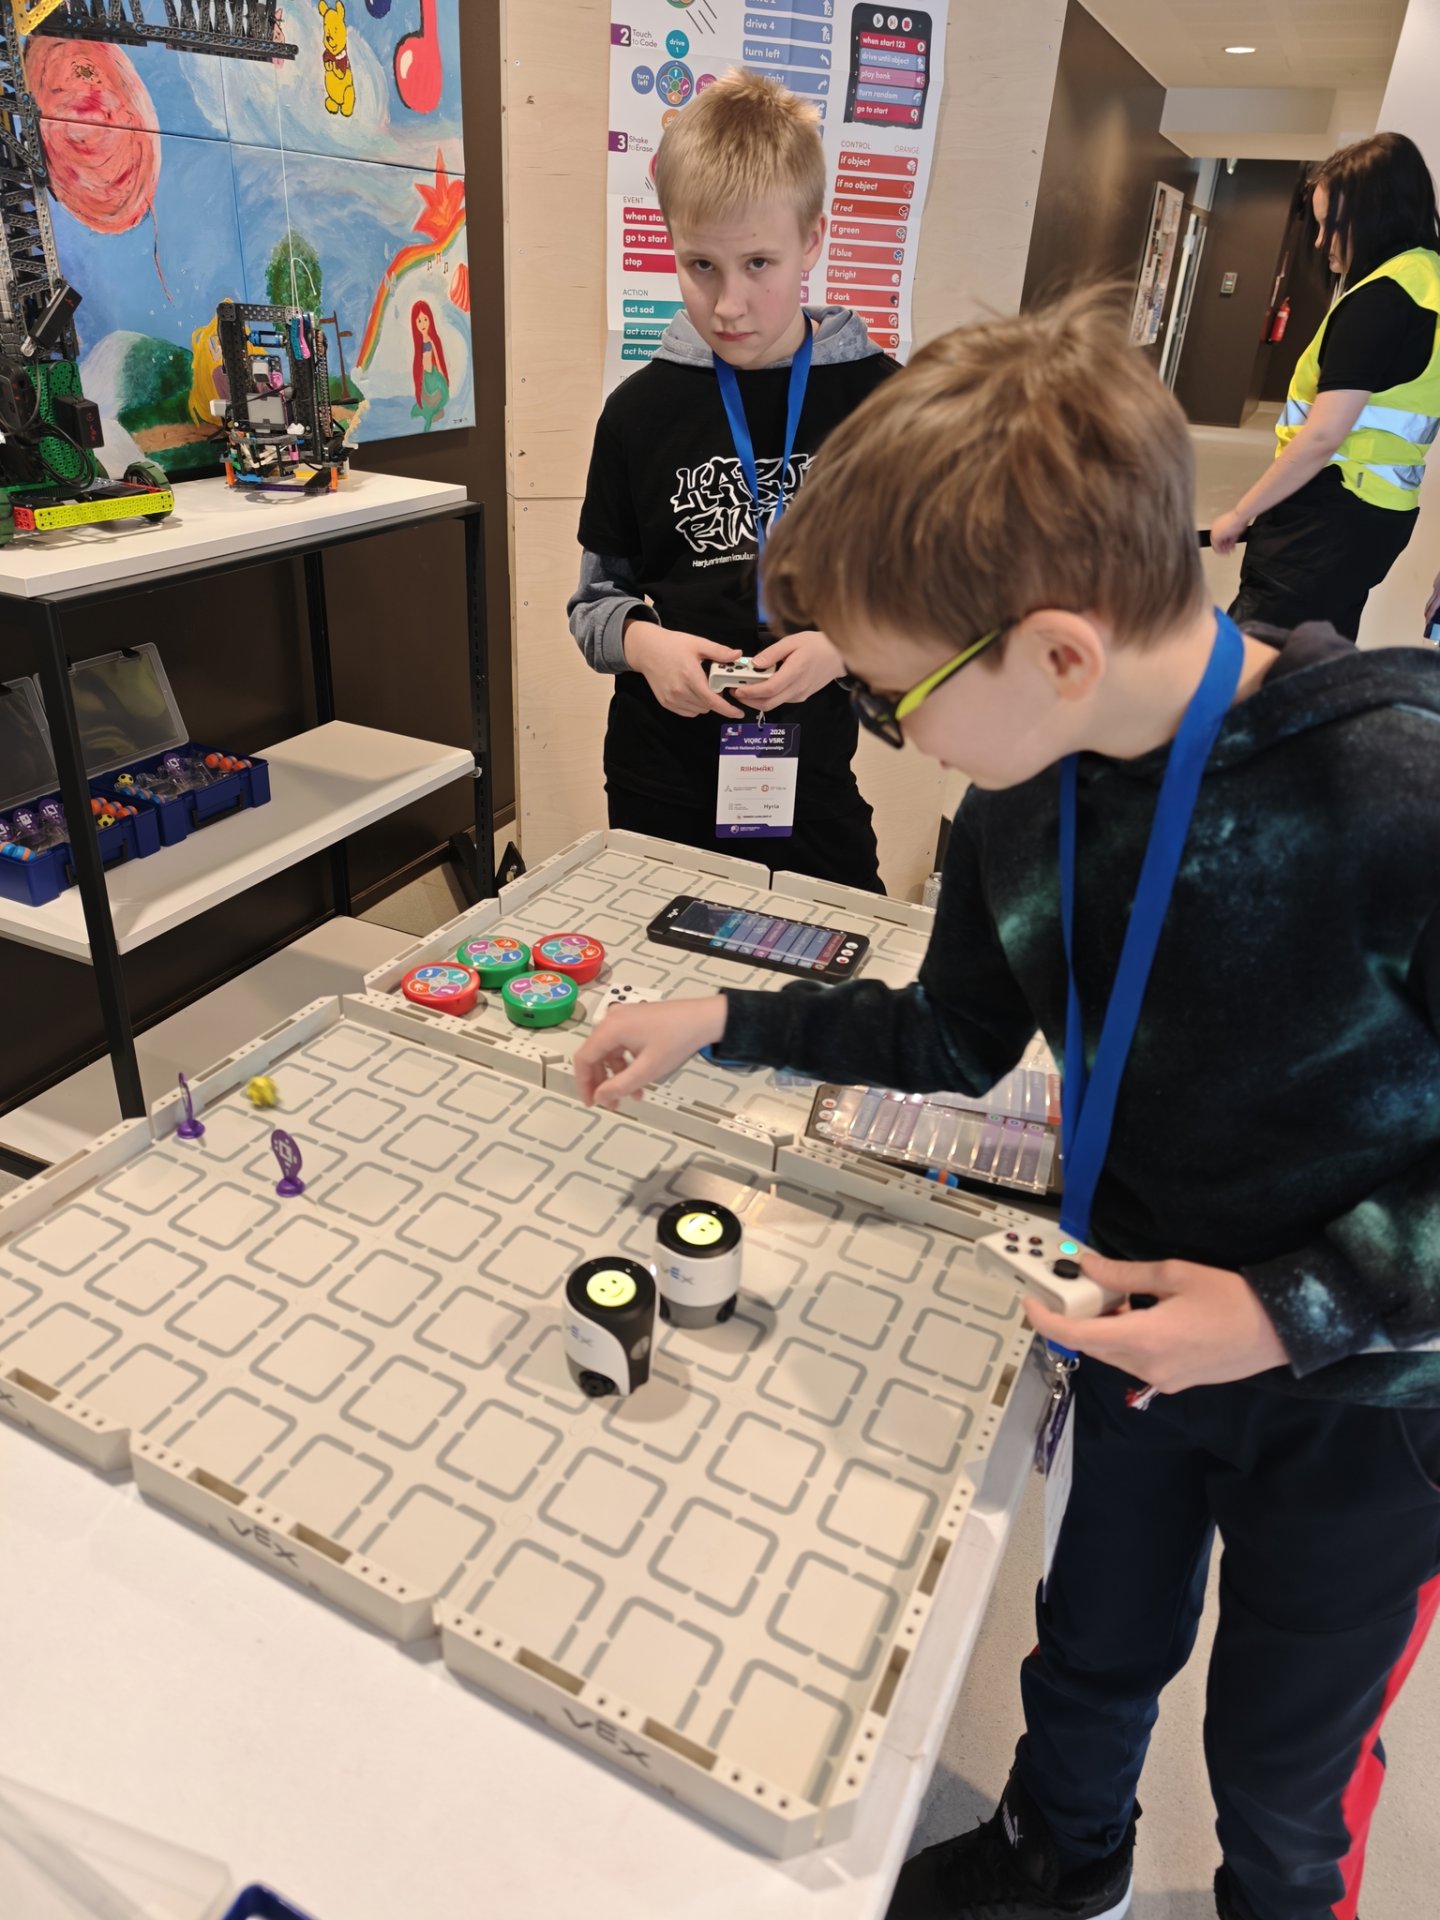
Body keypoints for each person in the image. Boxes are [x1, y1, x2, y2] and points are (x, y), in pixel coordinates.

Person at [573, 289, 1440, 1920]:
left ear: (1057, 653)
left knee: (1283, 1766)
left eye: (896, 698)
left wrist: (1284, 1312)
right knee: (1090, 1645)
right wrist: (724, 1019)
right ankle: (1064, 1855)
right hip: (1120, 1313)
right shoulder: (1021, 796)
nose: (894, 736)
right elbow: (951, 1035)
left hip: (1374, 1399)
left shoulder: (1398, 786)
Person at [568, 69, 897, 890]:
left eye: (758, 262)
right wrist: (646, 646)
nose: (729, 304)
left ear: (813, 240)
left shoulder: (887, 404)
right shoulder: (635, 413)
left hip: (810, 779)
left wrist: (843, 648)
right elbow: (594, 605)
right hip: (658, 777)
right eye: (701, 265)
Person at [1213, 132, 1440, 641]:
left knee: (1253, 659)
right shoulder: (1430, 283)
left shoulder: (1381, 299)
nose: (1321, 243)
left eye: (1330, 226)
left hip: (1325, 514)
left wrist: (1243, 511)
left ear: (1374, 215)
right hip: (1378, 517)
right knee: (1316, 654)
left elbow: (1321, 436)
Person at [411, 301, 449, 432]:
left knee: (440, 395)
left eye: (425, 319)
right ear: (414, 323)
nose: (422, 324)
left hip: (434, 374)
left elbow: (438, 358)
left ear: (430, 320)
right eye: (419, 321)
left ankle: (434, 412)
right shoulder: (418, 343)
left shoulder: (433, 340)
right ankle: (428, 412)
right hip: (425, 375)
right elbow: (418, 362)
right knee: (426, 398)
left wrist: (442, 375)